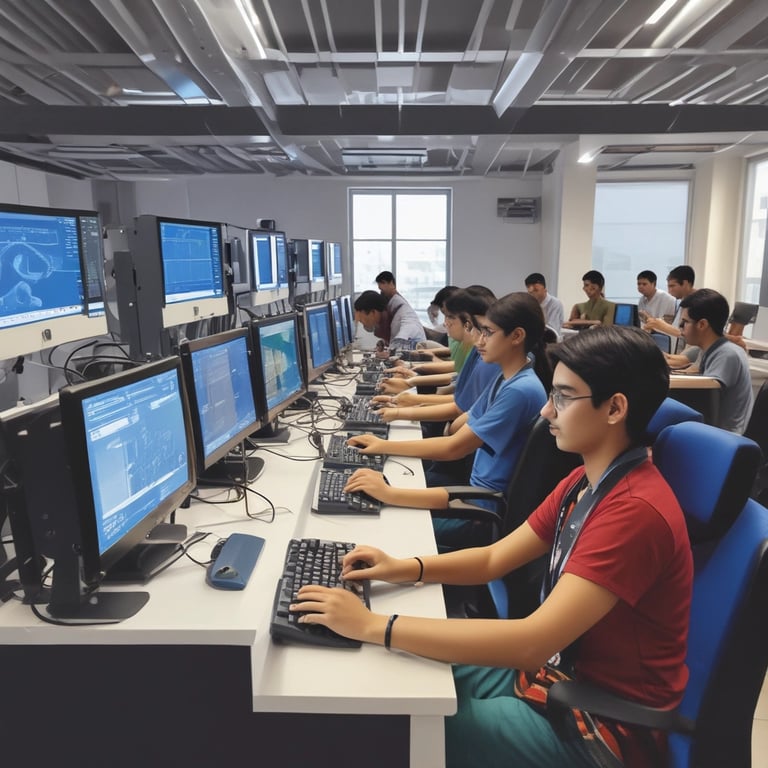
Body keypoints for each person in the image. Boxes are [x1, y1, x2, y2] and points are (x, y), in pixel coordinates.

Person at [292, 325, 692, 768]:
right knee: (403, 671)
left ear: (615, 407)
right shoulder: (585, 481)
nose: (545, 409)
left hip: (603, 722)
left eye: (562, 396)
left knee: (402, 717)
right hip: (553, 678)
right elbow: (493, 557)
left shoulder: (634, 512)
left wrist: (372, 624)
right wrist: (400, 566)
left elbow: (532, 642)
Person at [345, 292, 550, 510]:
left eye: (488, 333)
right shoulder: (507, 377)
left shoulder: (519, 390)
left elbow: (455, 447)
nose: (479, 340)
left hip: (479, 506)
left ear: (517, 336)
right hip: (471, 490)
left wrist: (384, 457)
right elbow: (462, 423)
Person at [678, 288, 753, 433]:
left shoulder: (727, 354)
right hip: (715, 431)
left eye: (685, 323)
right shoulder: (712, 349)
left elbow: (706, 404)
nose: (681, 329)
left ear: (702, 325)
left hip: (726, 438)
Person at [643, 265, 696, 355]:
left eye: (672, 286)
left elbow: (691, 334)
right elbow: (678, 330)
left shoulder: (699, 303)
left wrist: (661, 326)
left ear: (685, 283)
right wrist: (655, 325)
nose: (669, 291)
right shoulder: (683, 301)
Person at [354, 288, 424, 353]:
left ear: (373, 312)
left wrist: (390, 352)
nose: (360, 322)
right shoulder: (387, 317)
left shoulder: (401, 320)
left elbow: (402, 347)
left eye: (361, 319)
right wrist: (385, 344)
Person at [374, 270, 426, 349]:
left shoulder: (401, 306)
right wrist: (385, 343)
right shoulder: (393, 304)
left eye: (382, 287)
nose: (381, 292)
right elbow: (394, 331)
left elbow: (403, 335)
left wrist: (392, 349)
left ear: (391, 283)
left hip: (415, 350)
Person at [524, 272, 564, 338]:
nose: (533, 294)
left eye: (536, 290)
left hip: (551, 341)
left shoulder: (555, 303)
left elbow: (552, 330)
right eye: (530, 292)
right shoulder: (530, 304)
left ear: (545, 290)